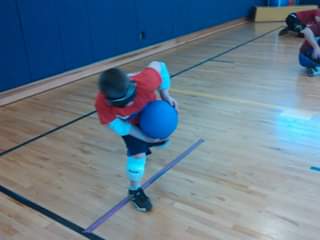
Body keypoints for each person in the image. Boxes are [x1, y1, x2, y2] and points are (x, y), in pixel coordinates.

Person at [95, 61, 178, 212]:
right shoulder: (102, 105)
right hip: (130, 126)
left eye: (131, 98)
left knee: (161, 142)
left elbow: (160, 65)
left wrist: (165, 95)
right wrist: (145, 139)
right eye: (123, 104)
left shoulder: (146, 81)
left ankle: (148, 146)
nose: (129, 104)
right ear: (109, 101)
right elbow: (122, 128)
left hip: (151, 116)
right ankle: (134, 190)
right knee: (138, 156)